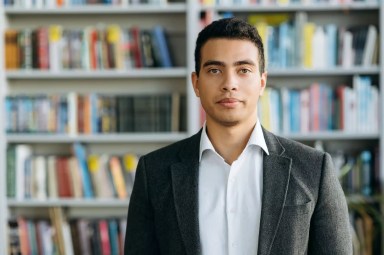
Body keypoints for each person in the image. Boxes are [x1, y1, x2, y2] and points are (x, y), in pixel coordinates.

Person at [124, 17, 352, 254]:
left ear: (262, 82)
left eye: (243, 70)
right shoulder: (154, 172)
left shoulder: (314, 169)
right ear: (196, 83)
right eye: (214, 70)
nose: (229, 83)